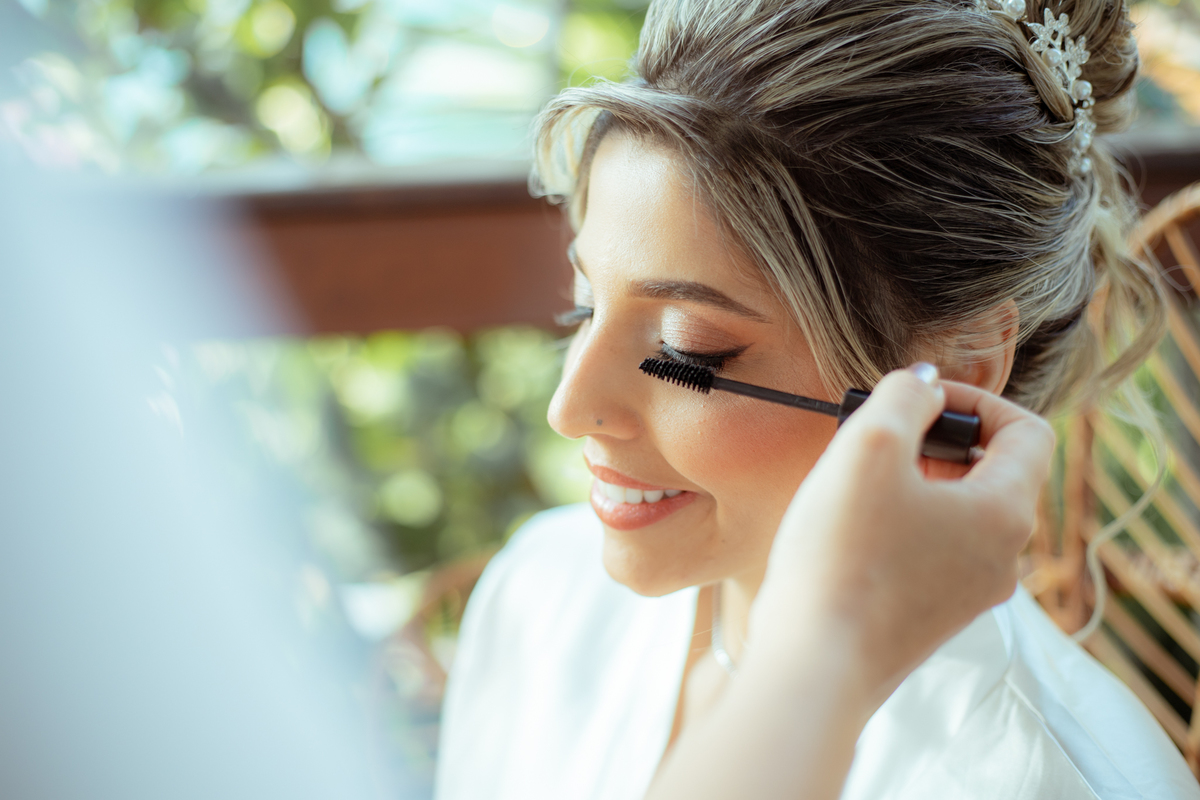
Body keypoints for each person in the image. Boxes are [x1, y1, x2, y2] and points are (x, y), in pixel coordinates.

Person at [436, 0, 1200, 797]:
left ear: (959, 373)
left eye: (687, 352)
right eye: (584, 306)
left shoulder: (1046, 780)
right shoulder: (540, 598)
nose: (569, 408)